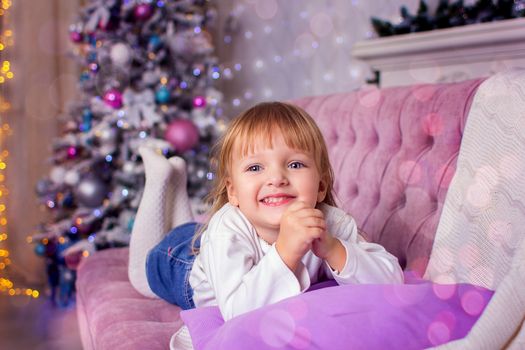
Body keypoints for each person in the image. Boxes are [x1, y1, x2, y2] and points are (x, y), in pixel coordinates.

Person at [128, 102, 404, 341]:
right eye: (255, 167)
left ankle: (176, 180)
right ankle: (160, 181)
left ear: (320, 187)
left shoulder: (330, 222)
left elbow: (390, 282)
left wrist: (334, 249)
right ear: (232, 191)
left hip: (203, 239)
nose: (276, 178)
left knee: (191, 231)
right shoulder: (227, 229)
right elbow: (240, 314)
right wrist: (286, 251)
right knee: (143, 275)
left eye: (295, 165)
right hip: (183, 266)